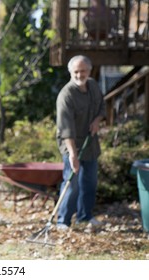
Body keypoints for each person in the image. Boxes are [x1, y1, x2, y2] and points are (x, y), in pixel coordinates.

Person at [56, 55, 106, 230]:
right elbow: (66, 129)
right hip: (71, 144)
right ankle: (63, 220)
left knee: (90, 182)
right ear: (71, 72)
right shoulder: (66, 95)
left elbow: (101, 106)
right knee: (72, 183)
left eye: (83, 71)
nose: (79, 75)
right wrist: (73, 155)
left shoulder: (93, 85)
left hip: (90, 142)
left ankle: (85, 217)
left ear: (89, 71)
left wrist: (97, 120)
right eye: (76, 71)